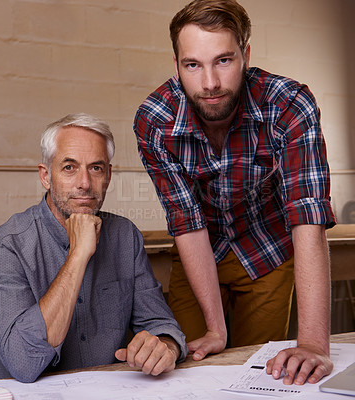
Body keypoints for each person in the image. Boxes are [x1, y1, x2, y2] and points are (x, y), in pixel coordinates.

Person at [133, 0, 336, 386]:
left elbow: (307, 215)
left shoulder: (289, 104)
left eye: (223, 61)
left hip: (268, 251)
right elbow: (186, 223)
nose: (209, 83)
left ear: (245, 55)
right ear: (176, 64)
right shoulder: (154, 121)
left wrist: (313, 344)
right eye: (193, 64)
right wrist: (215, 327)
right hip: (200, 250)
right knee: (186, 368)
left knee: (263, 372)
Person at [0, 113, 187, 383]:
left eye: (96, 168)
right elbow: (23, 363)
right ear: (45, 176)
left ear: (108, 176)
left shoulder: (126, 236)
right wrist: (78, 256)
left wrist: (165, 346)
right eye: (69, 167)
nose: (85, 183)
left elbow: (159, 323)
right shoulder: (6, 246)